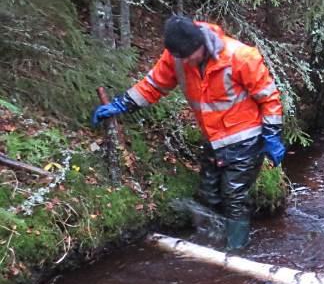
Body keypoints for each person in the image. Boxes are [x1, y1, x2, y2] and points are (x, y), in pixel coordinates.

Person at [92, 15, 286, 250]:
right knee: (209, 194)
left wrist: (272, 134)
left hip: (246, 138)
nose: (187, 62)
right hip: (213, 139)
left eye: (190, 55)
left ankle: (236, 251)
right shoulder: (176, 59)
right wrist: (122, 104)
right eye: (182, 57)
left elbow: (269, 97)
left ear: (201, 44)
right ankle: (215, 242)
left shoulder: (241, 56)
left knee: (234, 197)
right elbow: (153, 85)